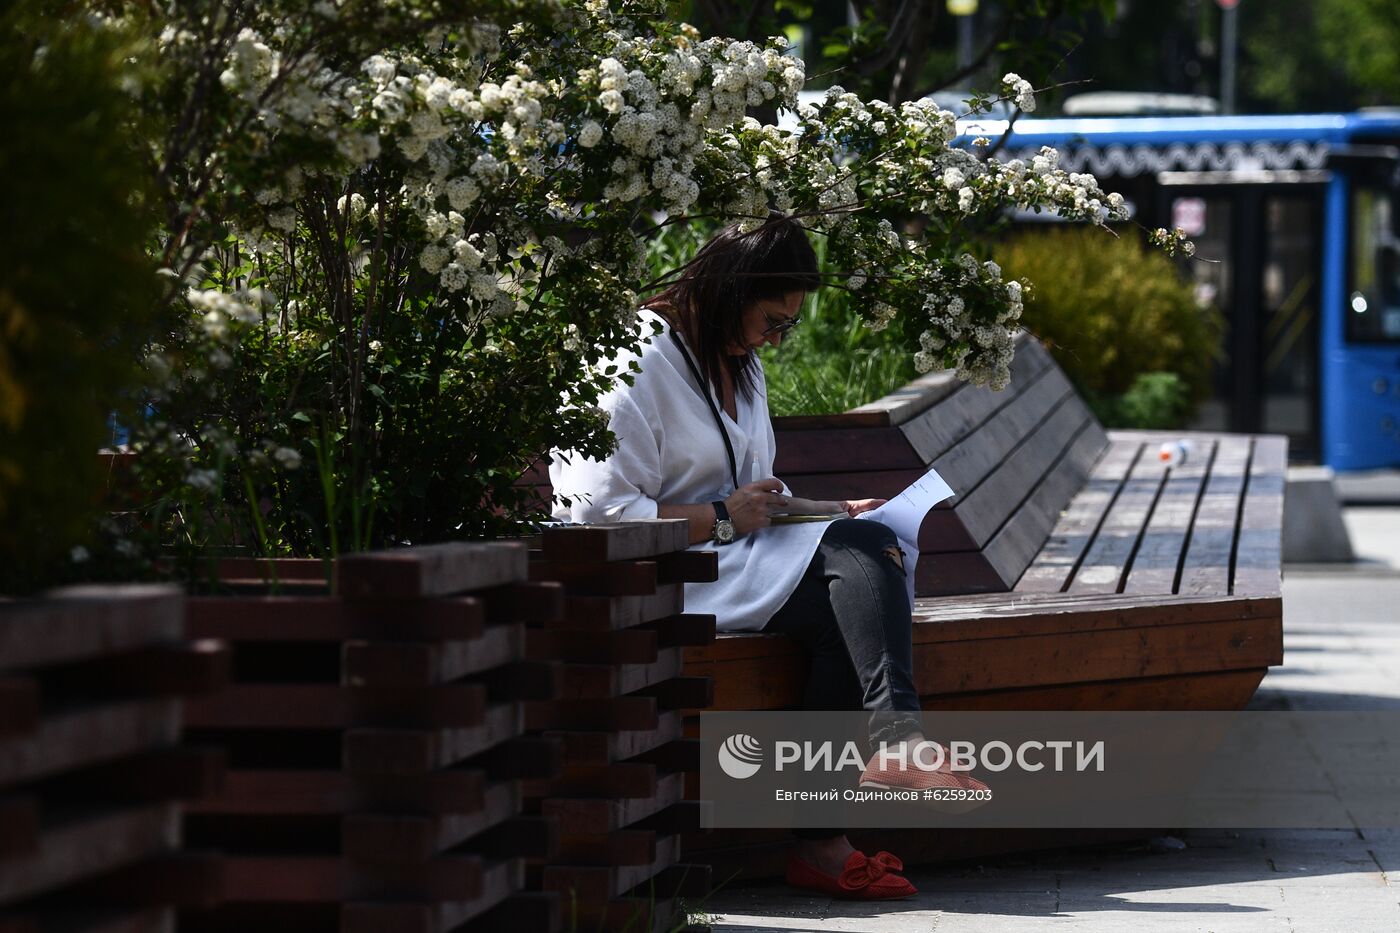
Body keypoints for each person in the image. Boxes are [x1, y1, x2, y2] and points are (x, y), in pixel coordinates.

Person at [551, 213, 987, 900]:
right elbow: (599, 519)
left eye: (789, 325)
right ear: (731, 289)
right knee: (858, 575)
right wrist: (722, 518)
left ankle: (844, 812)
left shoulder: (735, 360)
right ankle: (871, 776)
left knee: (861, 571)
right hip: (657, 574)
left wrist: (822, 511)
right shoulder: (632, 358)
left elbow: (748, 492)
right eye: (773, 319)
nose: (777, 338)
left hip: (730, 560)